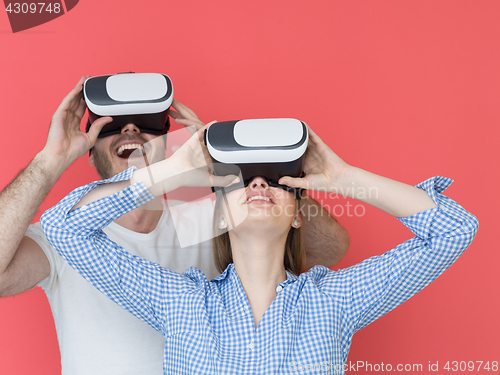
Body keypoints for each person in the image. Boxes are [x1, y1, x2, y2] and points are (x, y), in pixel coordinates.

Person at [41, 122, 478, 374]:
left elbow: (455, 230)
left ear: (296, 215)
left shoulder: (333, 301)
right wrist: (172, 170)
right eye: (242, 180)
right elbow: (64, 228)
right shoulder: (179, 302)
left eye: (274, 180)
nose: (257, 183)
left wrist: (346, 178)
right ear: (219, 215)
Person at [0, 77, 349, 375]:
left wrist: (237, 170)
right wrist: (50, 160)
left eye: (148, 122)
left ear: (170, 145)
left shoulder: (204, 220)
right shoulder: (60, 237)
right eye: (110, 124)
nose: (131, 129)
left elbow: (329, 248)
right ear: (90, 150)